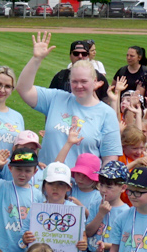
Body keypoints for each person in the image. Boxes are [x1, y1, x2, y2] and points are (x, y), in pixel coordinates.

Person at [17, 32, 121, 166]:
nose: (79, 86)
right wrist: (36, 59)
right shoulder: (56, 98)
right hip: (47, 181)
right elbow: (23, 89)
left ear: (95, 81)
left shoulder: (106, 114)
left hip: (82, 185)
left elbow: (110, 159)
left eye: (84, 81)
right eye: (74, 81)